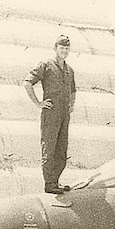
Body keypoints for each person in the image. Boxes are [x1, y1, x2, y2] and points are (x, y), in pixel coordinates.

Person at [23, 33, 77, 194]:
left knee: (62, 149)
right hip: (51, 113)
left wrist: (71, 105)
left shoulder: (69, 70)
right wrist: (38, 103)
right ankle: (49, 183)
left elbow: (73, 90)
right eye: (61, 48)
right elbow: (27, 83)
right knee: (49, 148)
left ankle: (56, 181)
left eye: (66, 48)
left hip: (64, 115)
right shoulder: (46, 65)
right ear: (55, 48)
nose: (64, 51)